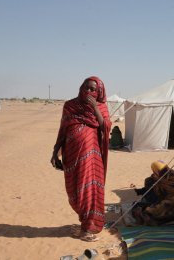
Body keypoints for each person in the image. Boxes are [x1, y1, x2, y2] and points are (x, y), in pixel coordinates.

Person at [50, 76, 112, 242]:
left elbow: (105, 126)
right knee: (74, 192)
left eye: (93, 89)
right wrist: (56, 151)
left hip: (91, 159)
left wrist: (95, 108)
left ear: (99, 92)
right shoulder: (70, 106)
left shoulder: (101, 107)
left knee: (88, 191)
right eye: (86, 87)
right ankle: (84, 222)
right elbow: (62, 130)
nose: (89, 92)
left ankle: (88, 228)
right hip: (71, 157)